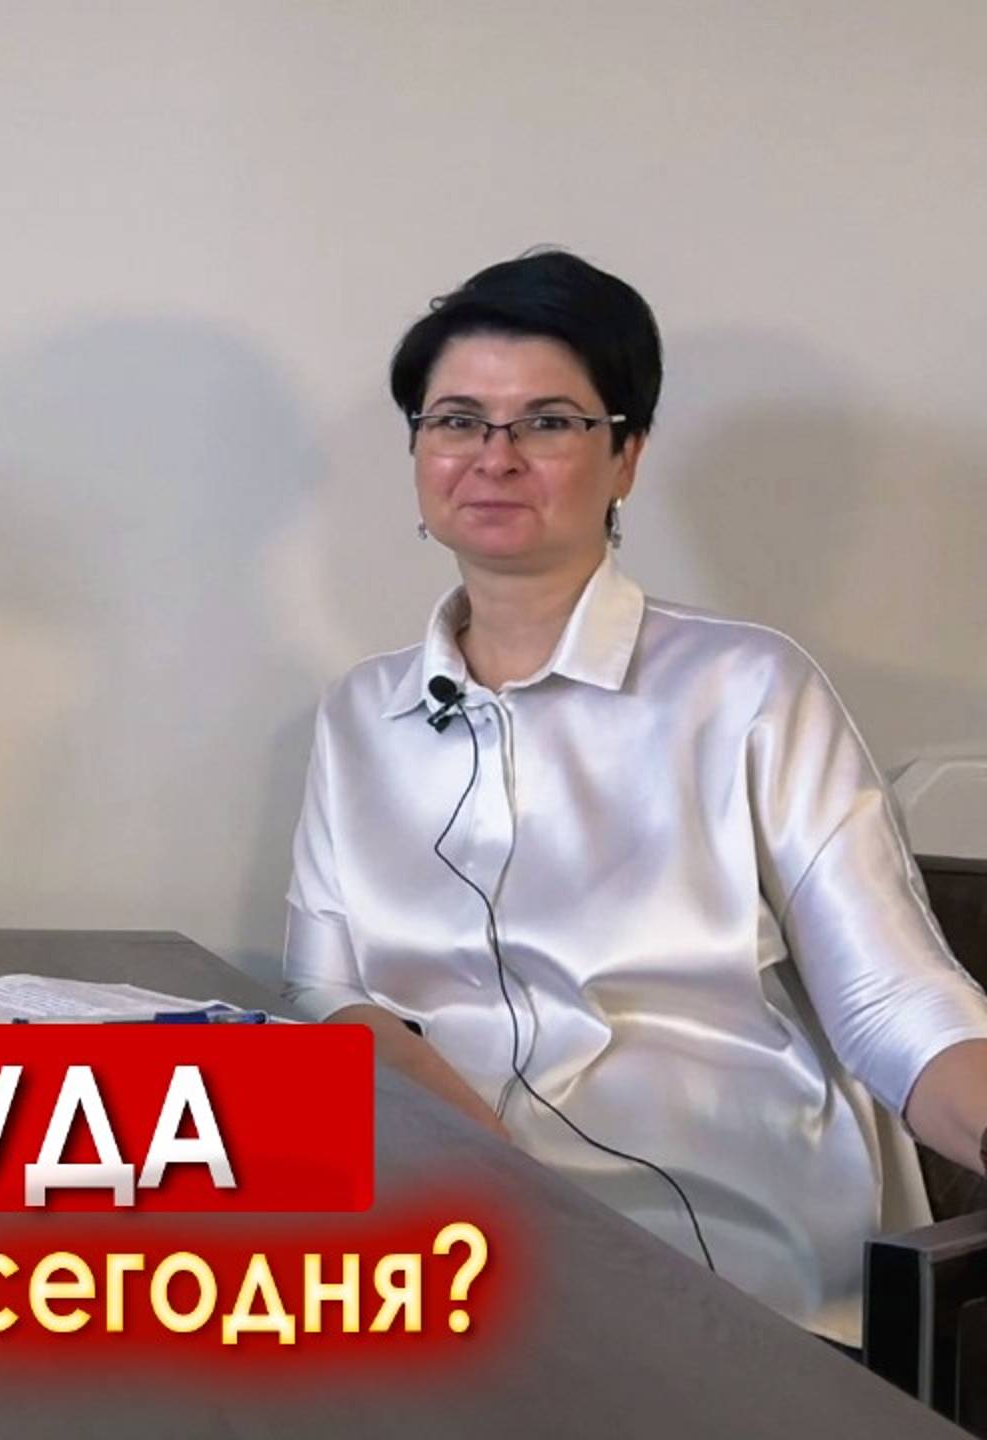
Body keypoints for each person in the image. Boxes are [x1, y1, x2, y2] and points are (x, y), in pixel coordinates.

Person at [280, 248, 987, 1346]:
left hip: (724, 1230)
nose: (494, 456)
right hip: (454, 1214)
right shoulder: (360, 714)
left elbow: (893, 1002)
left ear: (626, 456)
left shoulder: (746, 686)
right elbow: (327, 995)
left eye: (548, 422)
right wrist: (485, 1171)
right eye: (457, 420)